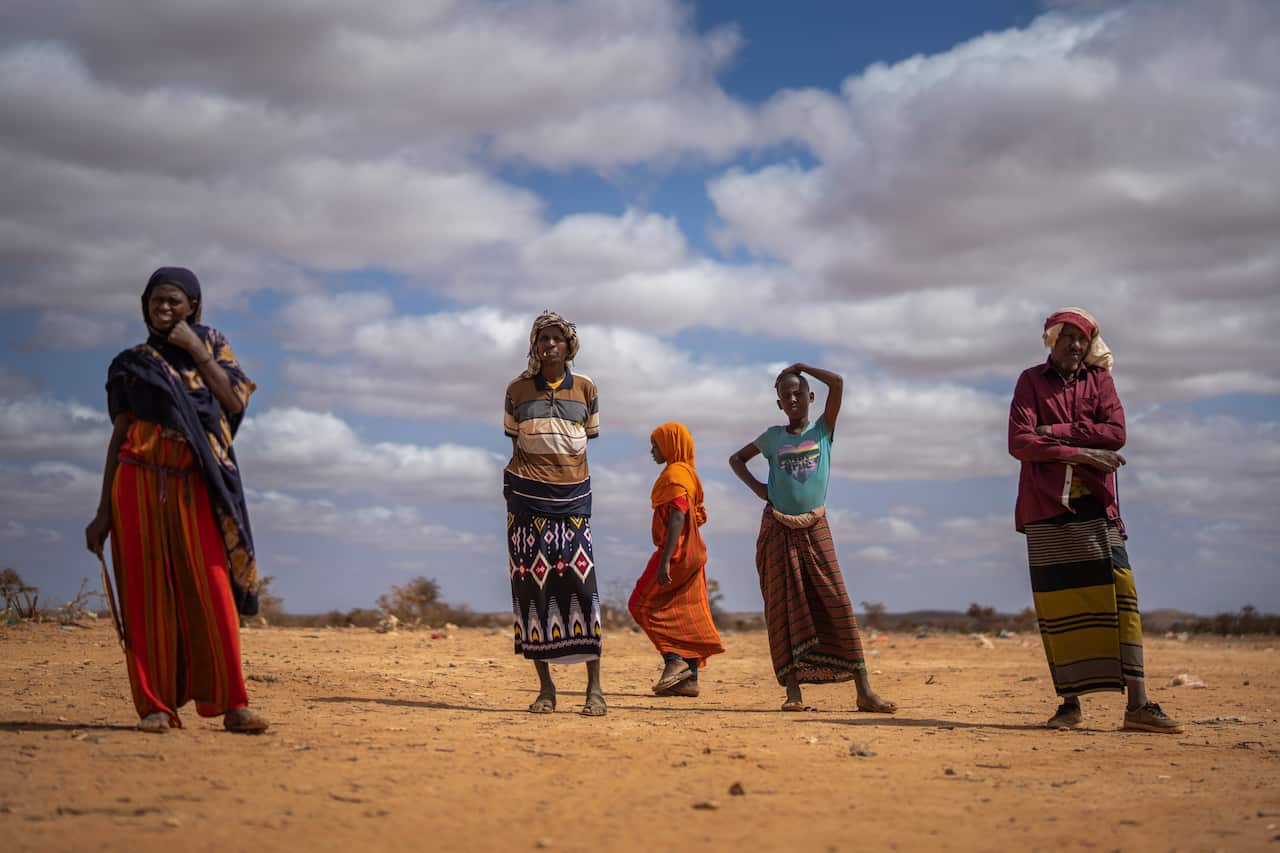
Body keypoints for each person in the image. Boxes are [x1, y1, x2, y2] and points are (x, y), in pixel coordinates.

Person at [84, 267, 268, 734]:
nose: (163, 309)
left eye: (174, 302)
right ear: (144, 305)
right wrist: (103, 510)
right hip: (137, 483)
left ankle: (233, 705)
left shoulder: (213, 348)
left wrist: (194, 348)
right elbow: (120, 435)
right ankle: (155, 707)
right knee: (145, 597)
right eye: (155, 301)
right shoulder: (130, 363)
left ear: (194, 307)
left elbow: (233, 401)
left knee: (212, 592)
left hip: (195, 483)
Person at [1009, 307, 1181, 733]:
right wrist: (1082, 451)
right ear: (1052, 340)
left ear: (1090, 345)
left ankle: (1138, 705)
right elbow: (1019, 441)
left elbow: (1116, 434)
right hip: (1047, 506)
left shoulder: (1099, 381)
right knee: (1059, 606)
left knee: (1123, 600)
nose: (1075, 345)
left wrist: (1054, 432)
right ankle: (1070, 705)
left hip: (1097, 507)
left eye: (1082, 339)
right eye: (1067, 337)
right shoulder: (1030, 381)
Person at [729, 364, 896, 713]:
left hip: (816, 526)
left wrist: (802, 367)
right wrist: (762, 489)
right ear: (778, 404)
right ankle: (793, 693)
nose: (792, 399)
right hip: (776, 526)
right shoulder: (773, 437)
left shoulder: (824, 430)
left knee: (837, 602)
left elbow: (838, 383)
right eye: (785, 395)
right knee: (784, 607)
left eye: (798, 393)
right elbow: (737, 460)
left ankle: (864, 691)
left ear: (810, 397)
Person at [504, 311, 606, 716]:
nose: (549, 345)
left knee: (583, 591)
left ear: (569, 347)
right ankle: (546, 689)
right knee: (533, 593)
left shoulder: (586, 388)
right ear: (534, 345)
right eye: (542, 339)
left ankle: (594, 690)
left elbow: (586, 439)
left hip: (573, 501)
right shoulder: (516, 390)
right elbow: (515, 443)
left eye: (556, 340)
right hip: (526, 503)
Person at [628, 422, 725, 698]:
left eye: (655, 445)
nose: (651, 451)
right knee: (684, 610)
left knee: (640, 603)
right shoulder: (689, 474)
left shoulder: (674, 476)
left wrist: (665, 560)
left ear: (670, 445)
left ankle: (674, 659)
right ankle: (688, 680)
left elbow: (678, 516)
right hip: (694, 552)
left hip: (678, 552)